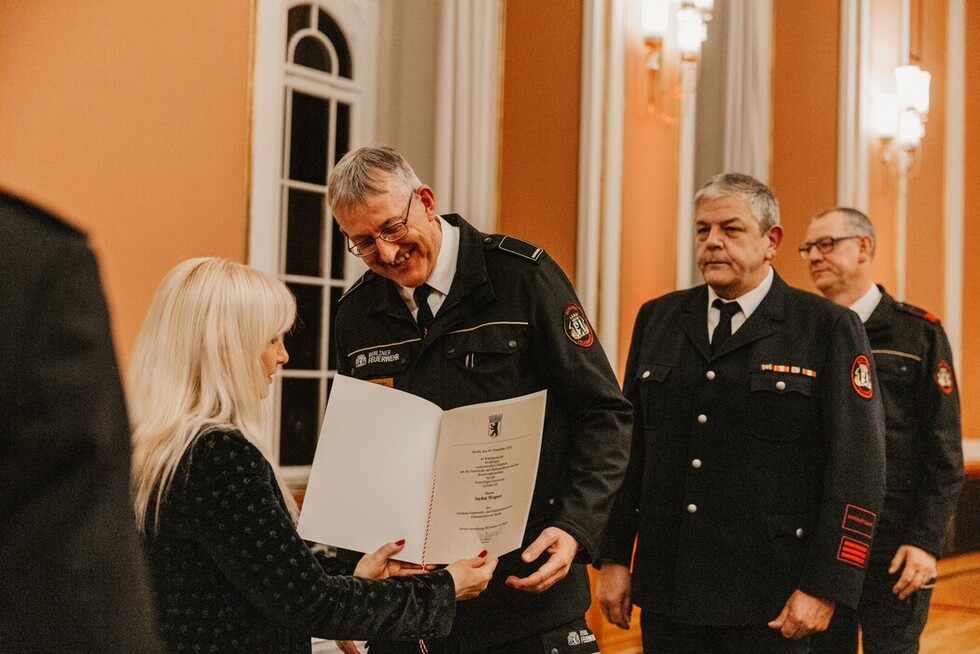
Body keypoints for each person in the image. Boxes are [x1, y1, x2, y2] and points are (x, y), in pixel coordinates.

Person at [326, 145, 632, 653]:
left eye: (391, 229)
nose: (383, 253)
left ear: (425, 201)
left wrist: (575, 526)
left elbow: (604, 413)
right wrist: (348, 589)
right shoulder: (356, 314)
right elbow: (356, 457)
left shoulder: (522, 277)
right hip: (411, 609)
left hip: (526, 596)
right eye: (361, 242)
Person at [128, 257, 496, 654]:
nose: (283, 356)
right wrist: (444, 589)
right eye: (271, 339)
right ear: (227, 348)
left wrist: (357, 574)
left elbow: (254, 573)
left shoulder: (158, 447)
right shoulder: (218, 455)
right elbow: (309, 601)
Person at [596, 173, 887, 653]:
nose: (712, 242)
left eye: (730, 230)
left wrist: (826, 585)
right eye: (702, 230)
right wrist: (613, 556)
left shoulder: (825, 327)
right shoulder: (660, 318)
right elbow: (633, 450)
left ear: (771, 240)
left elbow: (858, 469)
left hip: (772, 595)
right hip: (671, 587)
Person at [0, 190, 165, 652]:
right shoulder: (30, 263)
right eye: (273, 337)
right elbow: (75, 575)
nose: (284, 355)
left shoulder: (167, 441)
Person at [800, 207, 964, 654]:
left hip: (895, 545)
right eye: (807, 248)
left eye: (826, 244)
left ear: (864, 248)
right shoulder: (804, 330)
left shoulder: (919, 333)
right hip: (821, 544)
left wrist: (925, 542)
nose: (813, 256)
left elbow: (944, 451)